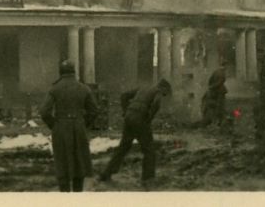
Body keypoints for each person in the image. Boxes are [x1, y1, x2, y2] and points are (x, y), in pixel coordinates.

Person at [40, 59, 99, 192]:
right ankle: (77, 195)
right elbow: (94, 110)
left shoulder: (55, 88)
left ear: (60, 72)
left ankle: (64, 195)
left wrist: (54, 125)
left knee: (62, 161)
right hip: (79, 127)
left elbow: (44, 111)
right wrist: (83, 124)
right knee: (79, 162)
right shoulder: (84, 88)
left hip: (61, 127)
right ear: (74, 72)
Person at [99, 78, 172, 183]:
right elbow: (156, 104)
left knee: (123, 147)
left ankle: (106, 174)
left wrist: (125, 111)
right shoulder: (158, 91)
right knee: (149, 150)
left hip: (129, 117)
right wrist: (149, 118)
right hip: (140, 119)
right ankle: (148, 178)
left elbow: (124, 95)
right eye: (165, 93)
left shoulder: (143, 88)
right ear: (164, 88)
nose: (164, 95)